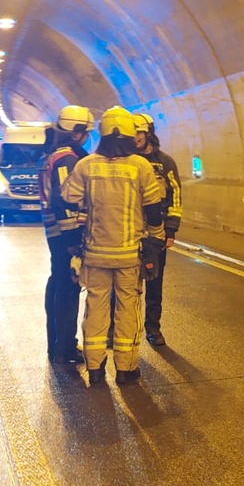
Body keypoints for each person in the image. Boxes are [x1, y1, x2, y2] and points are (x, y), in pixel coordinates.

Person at [62, 107, 165, 386]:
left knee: (95, 308)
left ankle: (95, 369)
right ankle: (126, 369)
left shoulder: (87, 165)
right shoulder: (140, 166)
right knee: (127, 309)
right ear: (130, 134)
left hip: (95, 254)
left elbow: (68, 197)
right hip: (129, 255)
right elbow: (154, 210)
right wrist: (155, 241)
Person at [38, 105, 93, 365]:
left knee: (57, 283)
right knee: (68, 288)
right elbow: (65, 200)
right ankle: (65, 347)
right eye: (86, 133)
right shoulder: (67, 159)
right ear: (77, 133)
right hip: (64, 235)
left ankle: (55, 344)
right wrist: (74, 242)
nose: (87, 138)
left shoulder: (50, 155)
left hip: (54, 231)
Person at [132, 113, 183, 347]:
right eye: (132, 133)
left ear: (149, 133)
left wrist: (170, 230)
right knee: (123, 283)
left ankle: (153, 328)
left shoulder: (165, 163)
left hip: (156, 234)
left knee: (154, 282)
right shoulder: (127, 162)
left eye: (139, 132)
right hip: (130, 232)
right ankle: (116, 328)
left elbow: (175, 197)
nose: (135, 137)